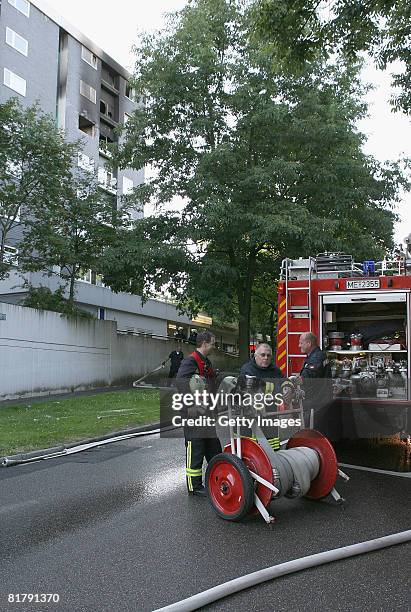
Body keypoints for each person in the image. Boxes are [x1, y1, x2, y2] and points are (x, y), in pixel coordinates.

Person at [176, 331, 222, 497]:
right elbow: (181, 382)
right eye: (213, 343)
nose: (214, 346)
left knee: (213, 447)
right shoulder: (190, 361)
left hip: (206, 412)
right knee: (195, 448)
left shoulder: (205, 362)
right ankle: (194, 486)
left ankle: (218, 477)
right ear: (204, 343)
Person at [239, 343, 285, 451]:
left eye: (268, 355)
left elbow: (283, 381)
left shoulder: (274, 370)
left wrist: (287, 387)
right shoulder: (247, 370)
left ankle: (273, 464)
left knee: (271, 446)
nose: (266, 358)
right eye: (263, 355)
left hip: (270, 415)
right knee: (251, 450)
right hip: (250, 417)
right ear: (255, 355)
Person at [298, 332, 332, 430]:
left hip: (314, 403)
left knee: (310, 431)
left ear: (308, 343)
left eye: (301, 343)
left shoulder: (315, 358)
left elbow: (305, 380)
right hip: (321, 401)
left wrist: (290, 383)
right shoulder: (320, 355)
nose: (299, 345)